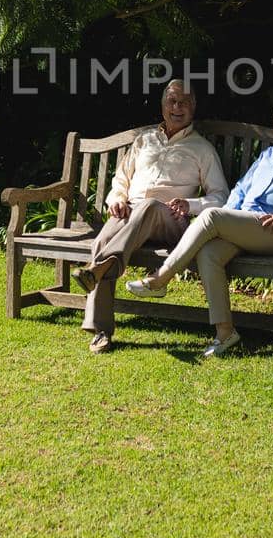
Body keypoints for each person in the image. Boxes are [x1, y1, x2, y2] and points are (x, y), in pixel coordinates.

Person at [127, 93, 273, 357]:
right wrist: (228, 220)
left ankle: (160, 279)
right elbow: (240, 190)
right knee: (209, 253)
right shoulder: (270, 155)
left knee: (211, 216)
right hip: (248, 226)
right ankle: (225, 333)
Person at [75, 79, 229, 353]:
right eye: (172, 101)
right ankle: (101, 331)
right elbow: (120, 180)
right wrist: (118, 200)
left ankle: (102, 268)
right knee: (101, 241)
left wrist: (190, 205)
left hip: (171, 221)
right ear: (162, 106)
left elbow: (220, 197)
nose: (177, 107)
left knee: (147, 206)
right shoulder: (143, 141)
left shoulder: (202, 149)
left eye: (184, 101)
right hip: (130, 215)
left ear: (193, 107)